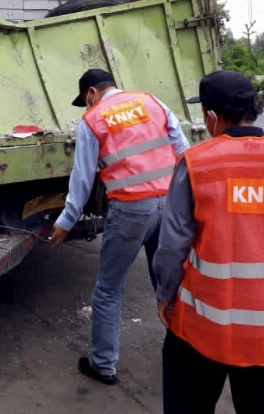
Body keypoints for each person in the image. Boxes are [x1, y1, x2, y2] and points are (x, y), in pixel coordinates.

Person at [154, 70, 264, 414]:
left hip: (202, 328)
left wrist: (165, 296)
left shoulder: (197, 163)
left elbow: (171, 248)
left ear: (212, 117)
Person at [51, 68, 189, 385]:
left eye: (85, 102)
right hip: (169, 202)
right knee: (169, 281)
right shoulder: (151, 101)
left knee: (108, 290)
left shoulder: (93, 119)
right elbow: (182, 150)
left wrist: (65, 222)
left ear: (91, 94)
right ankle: (185, 355)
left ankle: (102, 364)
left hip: (130, 209)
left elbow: (82, 180)